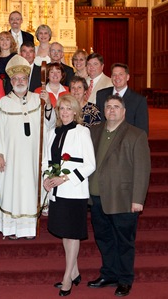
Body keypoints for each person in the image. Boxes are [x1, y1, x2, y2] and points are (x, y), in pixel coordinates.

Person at [87, 95, 151, 297]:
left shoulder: (136, 134)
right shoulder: (94, 131)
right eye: (108, 107)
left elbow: (142, 169)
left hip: (123, 198)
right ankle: (109, 274)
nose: (112, 110)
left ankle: (124, 279)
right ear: (103, 110)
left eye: (116, 107)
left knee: (124, 242)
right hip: (97, 196)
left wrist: (138, 199)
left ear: (123, 111)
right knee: (104, 239)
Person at [0, 55, 56, 239]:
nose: (20, 81)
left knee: (30, 190)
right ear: (10, 81)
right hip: (11, 158)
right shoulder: (3, 103)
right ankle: (12, 229)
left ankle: (29, 228)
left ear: (28, 80)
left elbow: (50, 126)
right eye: (16, 79)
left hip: (33, 157)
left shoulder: (38, 99)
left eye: (23, 78)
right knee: (13, 191)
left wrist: (49, 105)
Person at [43, 94, 96, 297]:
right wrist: (46, 179)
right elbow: (46, 161)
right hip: (56, 191)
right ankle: (74, 271)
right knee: (64, 232)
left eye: (68, 108)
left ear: (75, 111)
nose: (64, 112)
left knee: (72, 233)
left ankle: (67, 277)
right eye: (61, 109)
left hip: (74, 190)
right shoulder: (51, 132)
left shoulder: (82, 132)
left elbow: (90, 164)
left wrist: (65, 179)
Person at [96, 63, 149, 135]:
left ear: (127, 77)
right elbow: (98, 122)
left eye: (121, 74)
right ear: (111, 77)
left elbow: (142, 129)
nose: (117, 77)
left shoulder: (139, 100)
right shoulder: (101, 95)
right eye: (114, 75)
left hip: (127, 142)